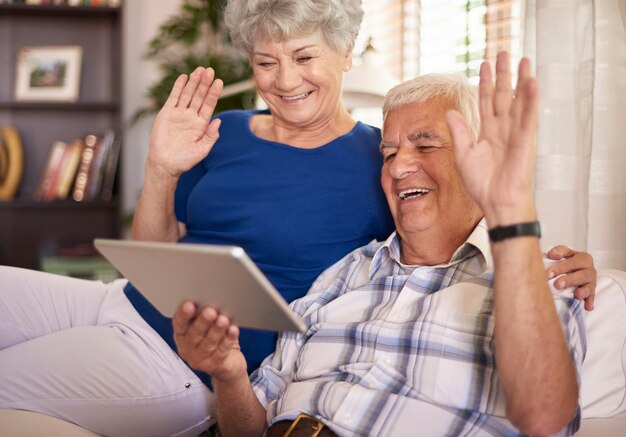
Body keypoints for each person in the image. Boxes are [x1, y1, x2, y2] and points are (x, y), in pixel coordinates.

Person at [0, 0, 593, 435]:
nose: (285, 80)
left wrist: (564, 260)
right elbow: (158, 254)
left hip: (183, 360)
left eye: (304, 56)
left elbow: (454, 222)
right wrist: (160, 169)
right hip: (124, 301)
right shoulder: (223, 133)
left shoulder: (378, 159)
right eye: (265, 61)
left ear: (346, 53)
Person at [173, 52, 585, 436]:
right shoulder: (340, 276)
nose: (400, 166)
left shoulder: (541, 281)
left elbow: (545, 415)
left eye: (425, 146)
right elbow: (250, 425)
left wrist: (510, 212)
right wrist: (229, 374)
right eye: (388, 154)